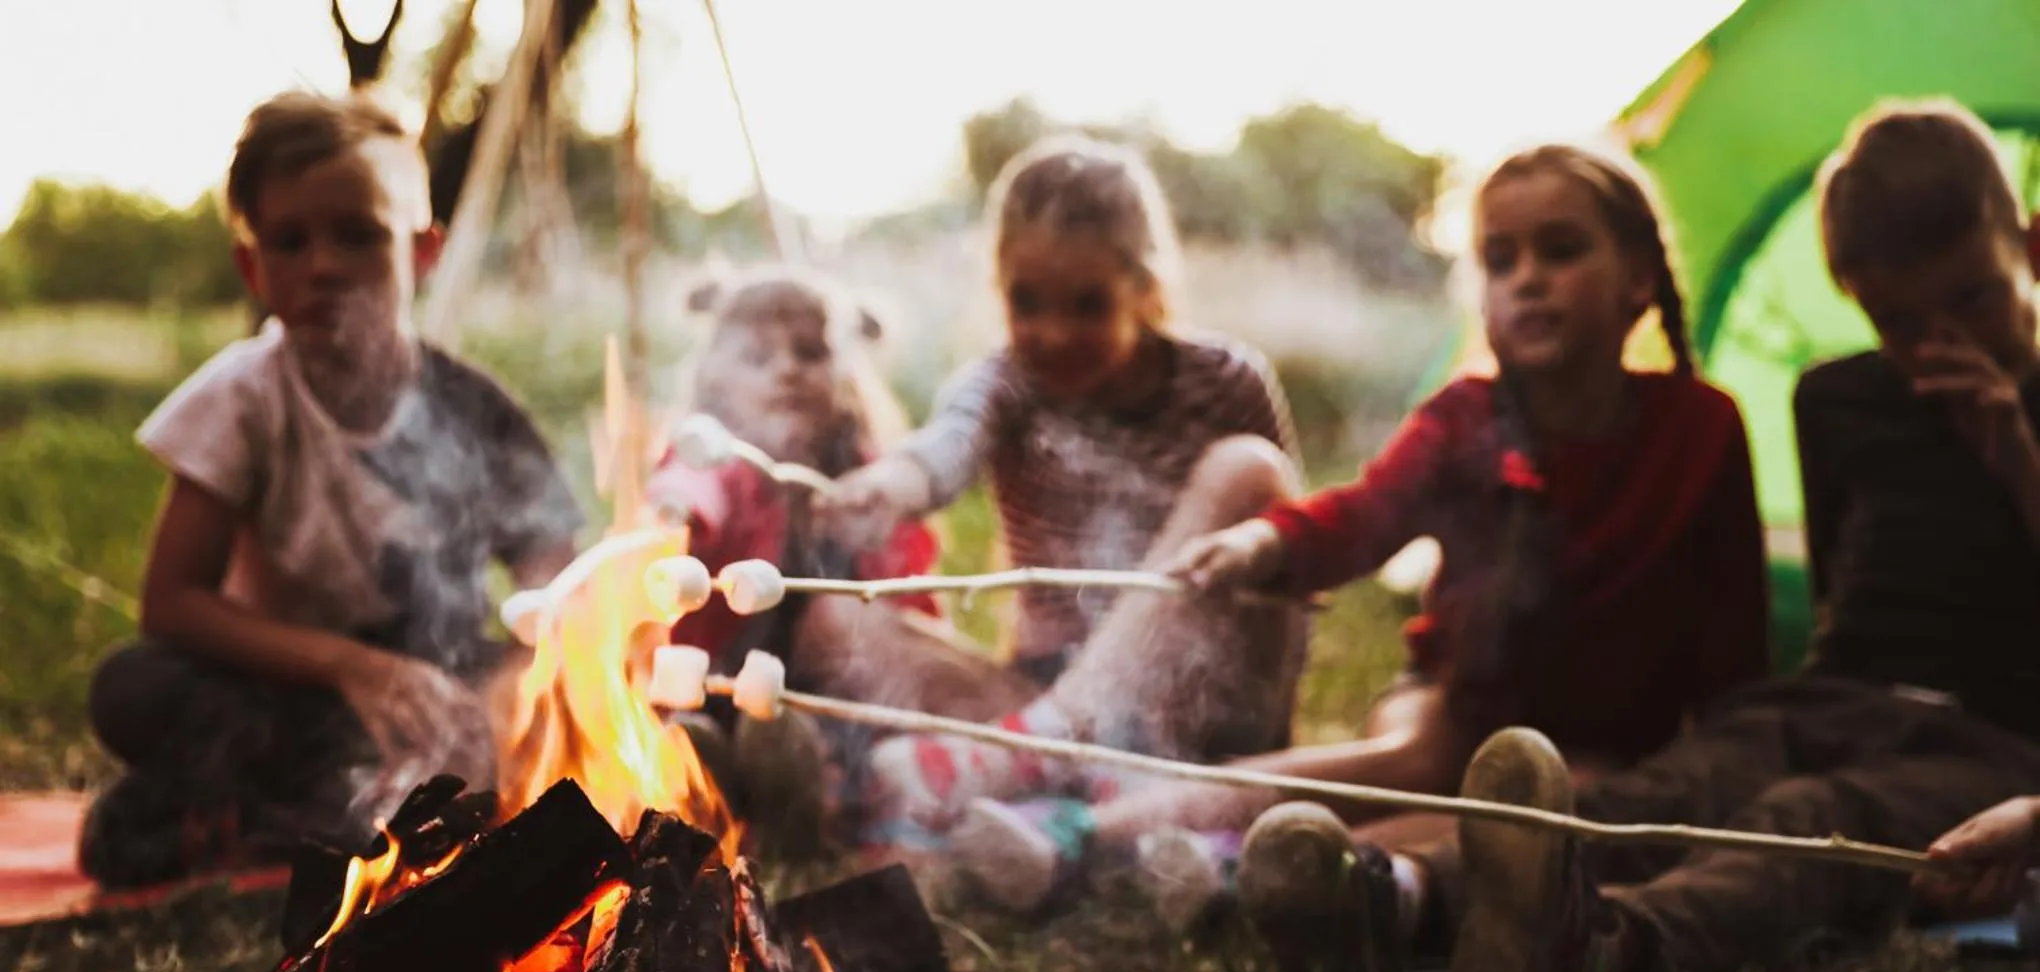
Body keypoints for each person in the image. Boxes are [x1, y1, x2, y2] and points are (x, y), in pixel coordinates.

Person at [948, 142, 1770, 925]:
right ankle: (1087, 834)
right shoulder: (1467, 419)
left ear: (1635, 276)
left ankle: (1256, 868)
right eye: (1501, 259)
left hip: (1603, 742)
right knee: (1424, 762)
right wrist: (1265, 544)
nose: (1529, 282)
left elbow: (1733, 624)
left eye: (1559, 252)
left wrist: (1725, 756)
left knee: (1540, 808)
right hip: (1446, 702)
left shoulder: (1700, 429)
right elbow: (1363, 516)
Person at [1399, 99, 2040, 972]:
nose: (1938, 339)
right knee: (1686, 782)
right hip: (1834, 694)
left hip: (1986, 740)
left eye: (1973, 300)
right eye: (1899, 320)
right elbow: (1837, 595)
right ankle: (1404, 898)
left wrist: (2017, 457)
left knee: (1809, 822)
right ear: (1851, 293)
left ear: (2027, 246)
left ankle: (1611, 948)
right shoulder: (1841, 399)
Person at [78, 92, 583, 887]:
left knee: (548, 709)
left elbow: (560, 579)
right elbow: (173, 603)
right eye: (290, 242)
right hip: (293, 693)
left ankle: (288, 817)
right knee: (133, 688)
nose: (323, 265)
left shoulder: (473, 408)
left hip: (440, 691)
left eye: (359, 234)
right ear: (253, 267)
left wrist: (519, 684)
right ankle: (340, 810)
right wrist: (359, 671)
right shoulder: (243, 398)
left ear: (422, 251)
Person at [810, 134, 1311, 869]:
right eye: (1027, 301)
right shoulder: (1005, 383)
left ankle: (1056, 765)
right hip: (1044, 696)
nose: (1052, 331)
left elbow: (1292, 556)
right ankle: (1099, 791)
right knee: (830, 619)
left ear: (1143, 287)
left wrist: (1271, 723)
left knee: (1247, 470)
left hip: (1206, 706)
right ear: (998, 286)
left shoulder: (1228, 380)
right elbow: (948, 444)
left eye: (1087, 304)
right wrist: (893, 484)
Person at [644, 270, 943, 845]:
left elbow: (906, 591)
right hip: (722, 675)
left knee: (815, 735)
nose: (786, 369)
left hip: (835, 698)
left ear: (846, 374)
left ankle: (806, 795)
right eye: (757, 358)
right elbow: (694, 483)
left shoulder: (863, 477)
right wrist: (673, 510)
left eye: (809, 353)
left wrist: (917, 651)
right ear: (714, 381)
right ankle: (709, 771)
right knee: (709, 723)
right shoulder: (725, 460)